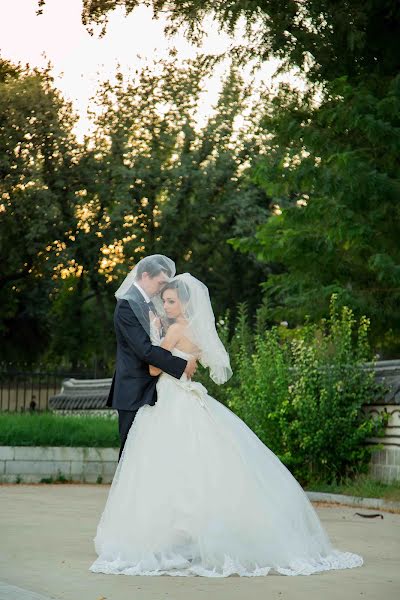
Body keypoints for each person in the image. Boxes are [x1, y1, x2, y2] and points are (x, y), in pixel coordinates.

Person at [91, 273, 363, 577]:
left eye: (170, 301)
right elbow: (200, 361)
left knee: (162, 466)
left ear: (183, 303)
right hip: (188, 397)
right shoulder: (194, 330)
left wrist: (156, 336)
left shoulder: (174, 330)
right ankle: (189, 536)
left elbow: (154, 366)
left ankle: (166, 535)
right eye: (164, 299)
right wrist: (179, 357)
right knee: (198, 467)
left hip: (168, 399)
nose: (164, 306)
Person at [106, 255, 197, 460]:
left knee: (151, 455)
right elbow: (145, 350)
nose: (162, 288)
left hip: (155, 389)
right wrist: (182, 364)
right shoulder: (127, 305)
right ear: (145, 276)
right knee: (131, 456)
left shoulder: (150, 304)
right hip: (133, 391)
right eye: (160, 282)